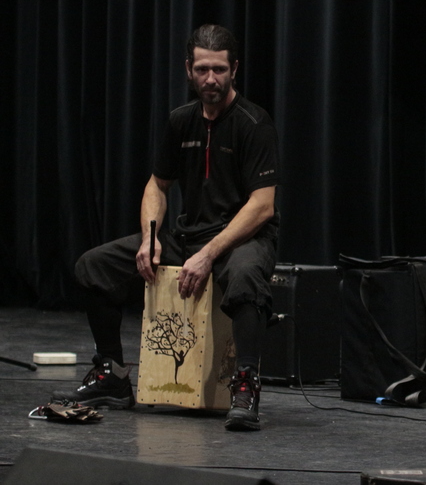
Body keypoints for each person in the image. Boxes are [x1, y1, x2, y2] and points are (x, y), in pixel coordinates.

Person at [52, 24, 280, 432]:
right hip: (188, 236)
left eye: (220, 70)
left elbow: (262, 206)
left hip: (241, 239)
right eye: (203, 69)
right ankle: (112, 375)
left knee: (245, 274)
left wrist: (209, 254)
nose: (211, 79)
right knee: (93, 266)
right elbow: (157, 185)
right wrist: (151, 237)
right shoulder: (180, 121)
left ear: (234, 70)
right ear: (189, 69)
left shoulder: (254, 123)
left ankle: (245, 384)